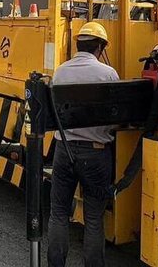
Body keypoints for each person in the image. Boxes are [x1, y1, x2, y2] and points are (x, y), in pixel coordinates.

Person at [48, 21, 119, 267]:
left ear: (78, 45)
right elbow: (114, 117)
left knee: (58, 213)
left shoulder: (60, 72)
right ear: (100, 47)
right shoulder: (108, 74)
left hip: (63, 151)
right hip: (96, 155)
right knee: (93, 218)